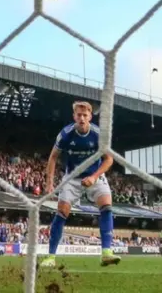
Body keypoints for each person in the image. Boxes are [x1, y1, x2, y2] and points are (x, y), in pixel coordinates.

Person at [40, 101, 120, 268]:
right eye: (79, 115)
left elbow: (109, 159)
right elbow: (53, 157)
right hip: (72, 177)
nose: (82, 118)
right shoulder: (65, 134)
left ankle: (106, 253)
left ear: (90, 116)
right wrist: (49, 183)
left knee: (107, 206)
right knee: (62, 212)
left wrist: (94, 177)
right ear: (74, 116)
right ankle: (50, 257)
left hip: (95, 175)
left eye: (85, 115)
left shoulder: (98, 134)